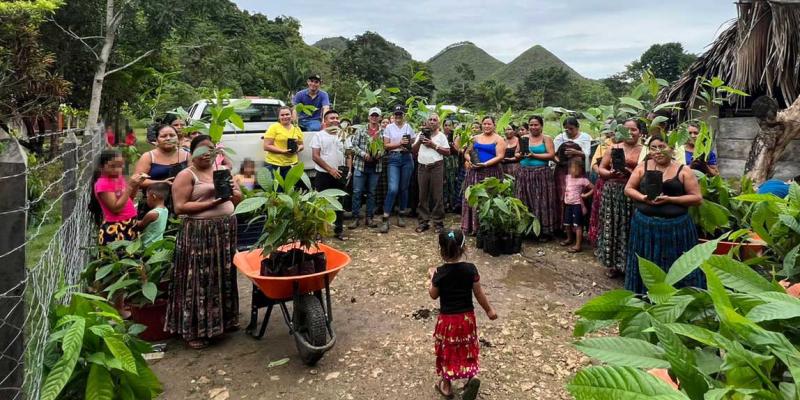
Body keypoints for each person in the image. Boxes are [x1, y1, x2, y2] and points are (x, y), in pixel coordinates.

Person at [168, 134, 242, 349]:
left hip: (225, 231)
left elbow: (238, 199)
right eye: (201, 150)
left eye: (211, 149)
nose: (206, 154)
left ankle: (224, 321)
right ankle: (195, 329)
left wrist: (231, 191)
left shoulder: (221, 172)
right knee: (200, 279)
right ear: (192, 152)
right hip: (200, 234)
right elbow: (180, 207)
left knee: (224, 275)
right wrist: (214, 202)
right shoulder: (186, 175)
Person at [624, 136, 704, 294]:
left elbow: (697, 198)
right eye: (653, 147)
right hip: (645, 227)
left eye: (662, 146)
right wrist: (643, 198)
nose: (657, 151)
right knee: (647, 262)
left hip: (675, 228)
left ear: (672, 149)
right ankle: (643, 294)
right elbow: (628, 189)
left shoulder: (683, 170)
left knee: (676, 263)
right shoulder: (643, 166)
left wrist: (670, 199)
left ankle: (679, 296)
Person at [428, 230, 496, 400]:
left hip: (448, 321)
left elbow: (433, 294)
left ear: (441, 250)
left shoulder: (440, 273)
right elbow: (479, 294)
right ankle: (471, 377)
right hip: (467, 319)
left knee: (447, 350)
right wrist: (489, 310)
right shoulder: (470, 269)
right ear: (464, 247)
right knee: (467, 347)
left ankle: (446, 385)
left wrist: (432, 277)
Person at [595, 119, 643, 278]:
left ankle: (631, 264)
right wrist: (610, 174)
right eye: (626, 129)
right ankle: (614, 264)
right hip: (612, 193)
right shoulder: (613, 148)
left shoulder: (645, 151)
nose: (630, 133)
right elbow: (601, 169)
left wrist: (632, 174)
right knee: (612, 226)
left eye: (634, 129)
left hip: (633, 193)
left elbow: (648, 173)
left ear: (640, 132)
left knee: (630, 227)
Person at [514, 115, 558, 239]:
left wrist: (533, 155)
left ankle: (543, 231)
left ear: (541, 126)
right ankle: (525, 230)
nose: (533, 127)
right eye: (531, 125)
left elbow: (551, 155)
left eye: (536, 124)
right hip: (524, 173)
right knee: (524, 200)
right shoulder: (523, 138)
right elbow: (516, 153)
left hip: (541, 174)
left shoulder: (547, 138)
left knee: (541, 201)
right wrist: (520, 155)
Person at [461, 116, 507, 235]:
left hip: (491, 173)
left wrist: (485, 164)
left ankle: (487, 228)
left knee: (488, 199)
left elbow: (500, 156)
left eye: (489, 124)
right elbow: (466, 153)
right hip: (474, 173)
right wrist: (470, 161)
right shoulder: (474, 138)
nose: (486, 126)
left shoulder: (499, 139)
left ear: (494, 125)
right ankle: (471, 226)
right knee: (474, 197)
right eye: (484, 124)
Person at [89, 149, 146, 245]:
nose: (117, 169)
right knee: (119, 257)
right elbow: (116, 208)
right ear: (102, 166)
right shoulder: (103, 184)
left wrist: (136, 185)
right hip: (115, 227)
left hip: (129, 223)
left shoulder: (117, 177)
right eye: (112, 166)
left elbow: (128, 200)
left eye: (120, 166)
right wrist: (130, 186)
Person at [133, 125, 190, 216]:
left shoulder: (188, 156)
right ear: (156, 140)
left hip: (182, 204)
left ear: (178, 138)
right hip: (154, 207)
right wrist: (162, 182)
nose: (168, 138)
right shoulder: (148, 157)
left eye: (172, 135)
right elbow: (138, 180)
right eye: (163, 136)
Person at [311, 110, 348, 240]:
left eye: (337, 117)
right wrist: (330, 169)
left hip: (340, 174)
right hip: (324, 175)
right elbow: (315, 156)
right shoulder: (319, 136)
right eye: (332, 118)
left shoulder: (343, 134)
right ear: (325, 121)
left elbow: (349, 153)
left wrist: (349, 170)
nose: (335, 120)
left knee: (339, 204)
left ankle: (338, 230)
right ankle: (320, 232)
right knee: (321, 204)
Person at [379, 105, 416, 233]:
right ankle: (386, 217)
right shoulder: (389, 127)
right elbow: (386, 145)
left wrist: (408, 145)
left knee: (404, 188)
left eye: (400, 114)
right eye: (396, 114)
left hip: (407, 158)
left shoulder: (408, 127)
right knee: (393, 188)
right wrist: (400, 143)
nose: (398, 116)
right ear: (393, 115)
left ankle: (401, 214)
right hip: (394, 158)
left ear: (403, 115)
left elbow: (413, 143)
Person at [413, 113, 450, 233]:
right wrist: (420, 140)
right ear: (427, 122)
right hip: (422, 167)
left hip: (436, 167)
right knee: (422, 195)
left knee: (437, 196)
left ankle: (438, 223)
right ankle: (423, 222)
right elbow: (413, 150)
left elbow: (447, 152)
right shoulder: (420, 134)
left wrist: (433, 145)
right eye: (430, 119)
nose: (432, 121)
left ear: (438, 123)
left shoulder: (441, 136)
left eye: (435, 120)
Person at [553, 118, 592, 227]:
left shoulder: (586, 138)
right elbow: (553, 154)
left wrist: (577, 152)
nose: (569, 131)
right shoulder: (560, 138)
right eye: (566, 129)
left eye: (571, 129)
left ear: (577, 127)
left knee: (577, 196)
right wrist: (561, 162)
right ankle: (563, 225)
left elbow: (590, 156)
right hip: (561, 171)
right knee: (562, 196)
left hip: (577, 171)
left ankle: (578, 225)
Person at [349, 107, 384, 229]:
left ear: (380, 117)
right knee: (357, 192)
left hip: (375, 166)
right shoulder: (361, 130)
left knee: (371, 193)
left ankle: (369, 217)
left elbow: (385, 146)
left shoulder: (383, 132)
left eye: (376, 116)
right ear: (369, 117)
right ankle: (355, 217)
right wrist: (364, 154)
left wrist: (380, 153)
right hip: (361, 165)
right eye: (372, 115)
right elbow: (353, 146)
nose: (374, 118)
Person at [589, 124, 617, 246]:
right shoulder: (604, 144)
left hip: (620, 183)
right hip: (603, 181)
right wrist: (603, 173)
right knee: (600, 212)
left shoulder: (631, 145)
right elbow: (594, 164)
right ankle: (599, 240)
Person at [561, 159, 593, 253]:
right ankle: (569, 239)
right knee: (567, 223)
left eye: (576, 168)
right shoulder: (567, 177)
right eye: (572, 168)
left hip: (577, 205)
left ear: (581, 170)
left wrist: (586, 195)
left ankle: (578, 245)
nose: (574, 170)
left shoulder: (583, 180)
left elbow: (594, 188)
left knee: (578, 225)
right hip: (567, 204)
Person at [264, 106, 304, 178]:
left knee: (289, 188)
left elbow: (301, 145)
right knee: (276, 188)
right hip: (275, 164)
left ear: (291, 116)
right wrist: (282, 151)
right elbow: (266, 146)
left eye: (287, 114)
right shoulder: (274, 127)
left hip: (292, 164)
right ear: (279, 117)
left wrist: (298, 148)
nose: (285, 117)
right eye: (282, 115)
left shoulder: (296, 128)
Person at [137, 182, 169, 247]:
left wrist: (130, 219)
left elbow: (140, 225)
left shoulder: (152, 214)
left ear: (154, 197)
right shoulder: (165, 210)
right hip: (157, 245)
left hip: (148, 246)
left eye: (147, 197)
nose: (147, 200)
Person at [442, 119, 462, 213]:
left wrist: (451, 145)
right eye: (445, 125)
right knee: (444, 182)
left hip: (453, 161)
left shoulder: (456, 136)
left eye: (449, 125)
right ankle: (445, 204)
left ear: (453, 126)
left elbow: (458, 151)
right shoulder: (441, 135)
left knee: (453, 182)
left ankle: (453, 204)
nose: (447, 127)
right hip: (443, 161)